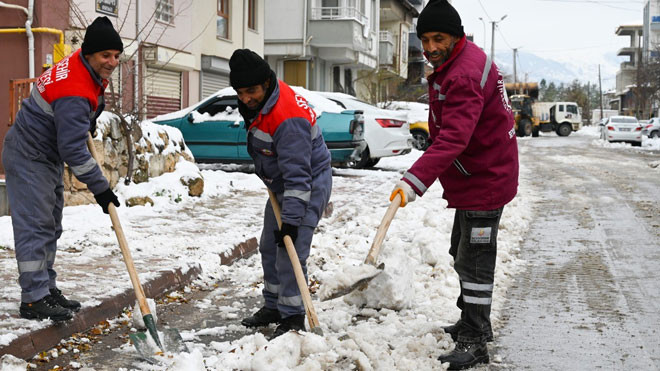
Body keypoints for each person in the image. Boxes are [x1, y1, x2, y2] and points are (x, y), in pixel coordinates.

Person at [389, 0, 519, 369]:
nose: (430, 48)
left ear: (456, 36)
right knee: (461, 249)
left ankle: (476, 339)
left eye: (438, 38)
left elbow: (453, 139)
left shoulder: (462, 73)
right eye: (425, 39)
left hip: (485, 177)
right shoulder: (462, 60)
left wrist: (413, 181)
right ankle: (471, 319)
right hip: (479, 172)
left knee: (475, 260)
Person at [2, 16, 122, 322]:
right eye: (106, 56)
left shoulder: (83, 67)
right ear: (90, 53)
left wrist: (91, 114)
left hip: (43, 154)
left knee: (50, 223)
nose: (112, 62)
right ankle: (33, 299)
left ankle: (46, 288)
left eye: (116, 56)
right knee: (36, 225)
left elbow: (88, 99)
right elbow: (73, 150)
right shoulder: (75, 89)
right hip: (29, 156)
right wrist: (101, 188)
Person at [229, 49, 332, 339]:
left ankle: (293, 316)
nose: (246, 98)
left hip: (307, 184)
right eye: (240, 92)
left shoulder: (288, 118)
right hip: (280, 183)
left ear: (266, 82)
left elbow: (299, 178)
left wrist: (291, 221)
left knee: (290, 250)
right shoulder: (262, 102)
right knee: (268, 246)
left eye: (251, 91)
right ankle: (274, 306)